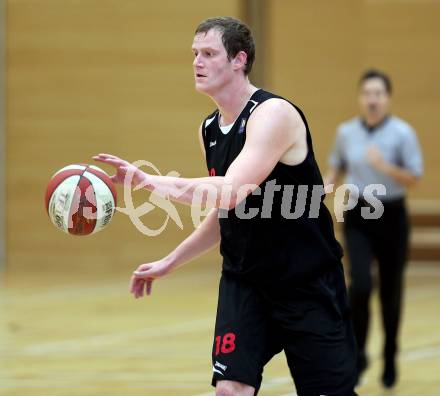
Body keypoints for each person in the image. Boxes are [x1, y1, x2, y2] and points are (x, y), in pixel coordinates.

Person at [94, 17, 358, 396]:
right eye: (194, 54)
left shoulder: (273, 115)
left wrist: (151, 182)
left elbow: (231, 191)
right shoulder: (208, 129)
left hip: (306, 282)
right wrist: (171, 261)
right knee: (229, 389)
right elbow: (227, 213)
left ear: (239, 60)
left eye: (209, 53)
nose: (197, 63)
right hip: (246, 282)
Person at [325, 69, 423, 388]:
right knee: (362, 284)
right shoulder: (346, 132)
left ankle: (391, 355)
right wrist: (323, 186)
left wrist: (384, 166)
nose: (372, 99)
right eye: (367, 93)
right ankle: (358, 354)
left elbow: (414, 179)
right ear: (360, 97)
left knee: (390, 292)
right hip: (357, 213)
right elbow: (336, 166)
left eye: (378, 94)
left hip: (392, 216)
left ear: (387, 98)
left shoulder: (403, 133)